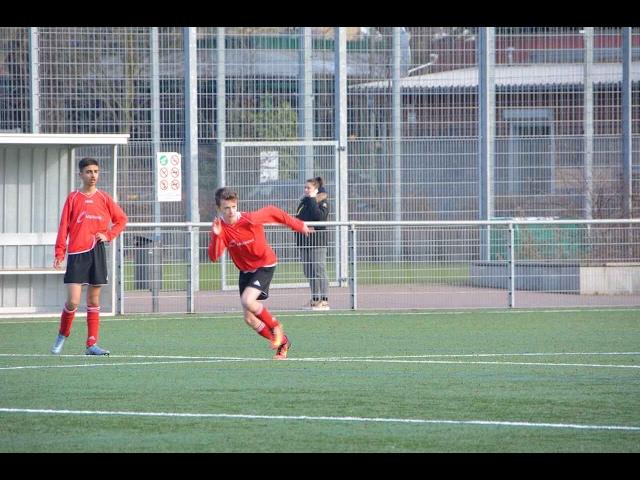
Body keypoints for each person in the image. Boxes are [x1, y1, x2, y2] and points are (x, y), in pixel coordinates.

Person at [208, 187, 311, 360]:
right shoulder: (221, 228)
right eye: (226, 208)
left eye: (233, 206)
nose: (231, 211)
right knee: (249, 318)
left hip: (265, 264)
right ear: (219, 208)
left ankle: (276, 326)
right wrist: (217, 236)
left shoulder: (250, 219)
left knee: (248, 300)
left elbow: (273, 212)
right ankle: (283, 342)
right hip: (246, 271)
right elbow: (213, 256)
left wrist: (298, 225)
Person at [50, 157, 128, 356]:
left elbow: (121, 220)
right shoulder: (73, 198)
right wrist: (60, 251)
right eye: (88, 172)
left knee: (93, 300)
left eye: (96, 171)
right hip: (77, 254)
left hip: (97, 252)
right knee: (73, 302)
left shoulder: (104, 198)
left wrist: (108, 235)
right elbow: (63, 227)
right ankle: (62, 335)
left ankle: (91, 344)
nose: (93, 175)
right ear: (80, 175)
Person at [295, 177, 330, 310]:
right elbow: (299, 218)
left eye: (308, 188)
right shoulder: (304, 202)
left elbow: (318, 216)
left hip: (317, 242)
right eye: (305, 188)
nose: (306, 190)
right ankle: (315, 299)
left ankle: (324, 300)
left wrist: (312, 199)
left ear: (316, 189)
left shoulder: (322, 202)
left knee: (319, 270)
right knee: (309, 271)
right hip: (304, 241)